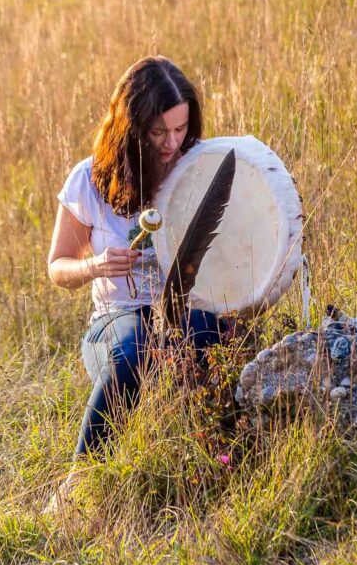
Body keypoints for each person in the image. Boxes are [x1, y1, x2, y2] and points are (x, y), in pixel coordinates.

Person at [44, 55, 229, 513]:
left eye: (181, 129)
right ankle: (78, 488)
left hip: (187, 315)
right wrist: (96, 266)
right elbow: (57, 268)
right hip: (116, 321)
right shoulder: (88, 179)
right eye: (158, 133)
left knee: (222, 339)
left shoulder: (198, 167)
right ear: (131, 128)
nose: (172, 144)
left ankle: (220, 465)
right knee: (135, 347)